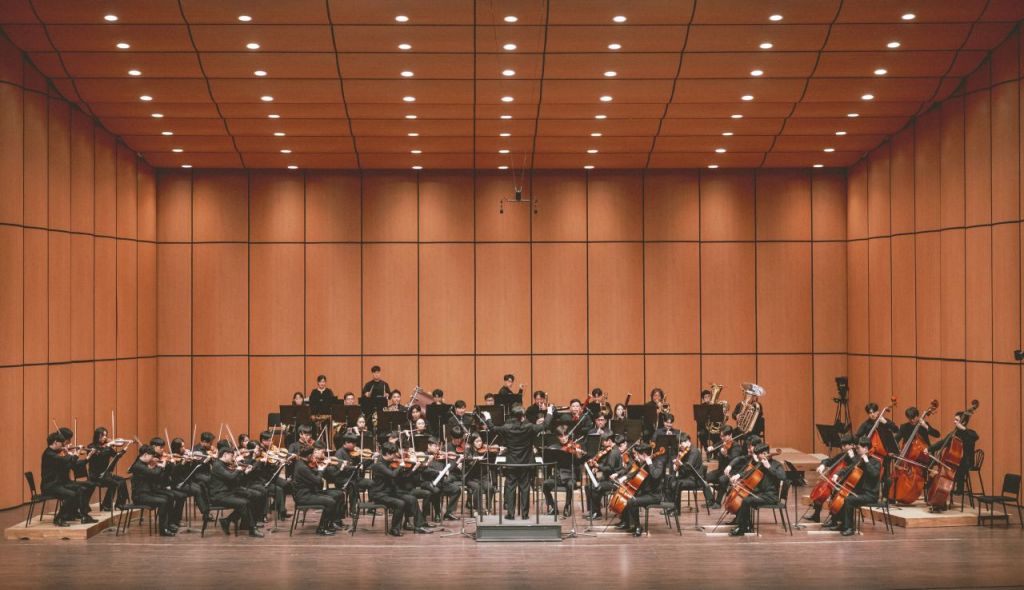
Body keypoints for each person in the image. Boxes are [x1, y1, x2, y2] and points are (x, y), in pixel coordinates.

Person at [483, 403, 555, 519]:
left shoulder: (507, 428)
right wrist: (550, 411)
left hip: (511, 462)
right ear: (522, 417)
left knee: (510, 488)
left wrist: (488, 417)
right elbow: (545, 425)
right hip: (525, 463)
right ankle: (525, 514)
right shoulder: (529, 427)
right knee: (525, 488)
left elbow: (492, 428)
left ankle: (510, 514)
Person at [368, 443, 432, 536]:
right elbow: (392, 475)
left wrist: (412, 468)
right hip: (379, 494)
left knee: (412, 498)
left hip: (389, 492)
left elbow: (402, 477)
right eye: (394, 454)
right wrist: (401, 466)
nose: (395, 456)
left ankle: (419, 525)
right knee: (400, 503)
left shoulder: (390, 463)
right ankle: (394, 529)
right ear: (387, 454)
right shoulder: (379, 465)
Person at [828, 437, 882, 536]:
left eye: (858, 448)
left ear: (866, 448)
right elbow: (847, 468)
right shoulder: (859, 461)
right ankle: (843, 523)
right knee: (843, 495)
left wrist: (866, 461)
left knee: (849, 500)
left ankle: (849, 528)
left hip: (870, 494)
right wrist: (837, 474)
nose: (856, 450)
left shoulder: (875, 461)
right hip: (860, 492)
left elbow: (874, 474)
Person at [41, 432, 97, 527]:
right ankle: (59, 518)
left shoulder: (55, 453)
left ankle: (84, 516)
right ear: (55, 442)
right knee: (71, 495)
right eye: (62, 443)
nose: (63, 446)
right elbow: (64, 460)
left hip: (58, 483)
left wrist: (83, 457)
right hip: (50, 485)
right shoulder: (49, 454)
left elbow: (68, 465)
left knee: (81, 489)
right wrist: (75, 454)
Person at [728, 443, 785, 537]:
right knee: (743, 496)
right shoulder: (761, 463)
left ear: (765, 453)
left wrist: (769, 467)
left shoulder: (776, 465)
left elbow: (782, 477)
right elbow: (750, 471)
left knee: (746, 500)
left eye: (758, 455)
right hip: (761, 493)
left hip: (771, 496)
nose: (757, 458)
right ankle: (746, 525)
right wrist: (738, 476)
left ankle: (742, 528)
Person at [928, 410, 980, 511]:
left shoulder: (969, 433)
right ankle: (939, 501)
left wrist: (964, 429)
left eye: (956, 420)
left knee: (950, 475)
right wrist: (929, 449)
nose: (954, 422)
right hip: (954, 463)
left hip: (965, 462)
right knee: (934, 474)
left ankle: (958, 488)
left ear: (963, 422)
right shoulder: (954, 433)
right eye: (954, 419)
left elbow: (975, 437)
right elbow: (942, 442)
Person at [208, 447, 264, 537]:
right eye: (231, 456)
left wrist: (244, 473)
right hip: (219, 495)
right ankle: (252, 529)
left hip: (228, 492)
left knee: (250, 500)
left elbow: (235, 480)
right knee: (244, 503)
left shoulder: (225, 465)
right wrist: (238, 470)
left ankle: (228, 520)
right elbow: (230, 477)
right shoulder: (217, 465)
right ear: (225, 455)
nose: (233, 458)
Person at [615, 443, 664, 537]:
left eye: (638, 454)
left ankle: (638, 527)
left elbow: (656, 475)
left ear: (644, 454)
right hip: (646, 493)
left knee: (632, 501)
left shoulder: (658, 462)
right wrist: (625, 477)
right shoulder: (644, 463)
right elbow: (637, 471)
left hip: (654, 495)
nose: (636, 457)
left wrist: (650, 464)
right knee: (627, 496)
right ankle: (628, 523)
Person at [128, 445, 178, 536]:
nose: (152, 459)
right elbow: (154, 474)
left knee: (169, 497)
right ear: (145, 454)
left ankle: (168, 525)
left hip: (147, 493)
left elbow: (156, 477)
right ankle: (163, 530)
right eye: (151, 456)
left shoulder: (145, 464)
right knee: (163, 501)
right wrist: (161, 466)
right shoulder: (138, 466)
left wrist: (166, 467)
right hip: (140, 496)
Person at [805, 434, 855, 523]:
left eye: (845, 445)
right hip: (836, 481)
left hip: (847, 484)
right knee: (821, 490)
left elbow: (853, 467)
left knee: (834, 494)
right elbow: (829, 460)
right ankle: (816, 515)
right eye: (842, 445)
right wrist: (823, 465)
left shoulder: (856, 457)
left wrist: (852, 458)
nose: (842, 447)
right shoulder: (843, 455)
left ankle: (835, 519)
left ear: (852, 445)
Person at [292, 446, 341, 535]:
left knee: (336, 495)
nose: (314, 456)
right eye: (313, 454)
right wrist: (321, 470)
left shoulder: (302, 463)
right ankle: (321, 528)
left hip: (309, 492)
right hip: (304, 496)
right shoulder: (302, 467)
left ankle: (329, 523)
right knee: (330, 501)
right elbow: (317, 481)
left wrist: (321, 467)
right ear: (309, 456)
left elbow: (313, 474)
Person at [543, 425, 586, 517]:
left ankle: (567, 506)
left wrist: (578, 455)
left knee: (570, 485)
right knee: (545, 484)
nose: (563, 438)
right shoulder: (554, 448)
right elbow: (548, 463)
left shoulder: (574, 447)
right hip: (558, 477)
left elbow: (579, 463)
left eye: (565, 435)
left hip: (570, 476)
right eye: (561, 436)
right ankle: (553, 507)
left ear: (568, 435)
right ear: (557, 437)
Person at [87, 427, 129, 512]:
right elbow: (99, 455)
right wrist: (108, 445)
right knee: (115, 483)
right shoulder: (91, 446)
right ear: (97, 436)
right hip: (95, 475)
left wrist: (124, 450)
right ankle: (106, 505)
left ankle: (120, 504)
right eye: (103, 435)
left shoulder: (107, 447)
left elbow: (116, 455)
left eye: (106, 435)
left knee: (122, 480)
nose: (105, 437)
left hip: (106, 474)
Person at [670, 433, 714, 512]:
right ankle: (671, 506)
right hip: (687, 477)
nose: (679, 446)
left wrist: (681, 464)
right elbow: (684, 470)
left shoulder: (694, 451)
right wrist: (677, 466)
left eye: (681, 443)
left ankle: (676, 510)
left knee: (677, 483)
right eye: (678, 444)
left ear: (687, 441)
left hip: (695, 479)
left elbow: (688, 467)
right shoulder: (685, 451)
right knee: (670, 480)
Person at [585, 433, 623, 519]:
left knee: (595, 487)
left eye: (603, 442)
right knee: (588, 486)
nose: (602, 444)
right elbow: (606, 464)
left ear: (609, 441)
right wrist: (598, 468)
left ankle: (597, 512)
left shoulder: (614, 452)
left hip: (613, 481)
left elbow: (609, 468)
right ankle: (593, 510)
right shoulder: (611, 450)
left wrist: (598, 466)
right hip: (607, 479)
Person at [706, 426, 746, 509]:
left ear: (730, 435)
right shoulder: (722, 443)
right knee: (706, 477)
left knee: (722, 479)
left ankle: (718, 502)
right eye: (721, 436)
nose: (722, 438)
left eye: (724, 436)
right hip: (721, 470)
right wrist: (711, 448)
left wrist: (726, 455)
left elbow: (733, 462)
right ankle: (711, 500)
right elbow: (714, 448)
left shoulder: (736, 447)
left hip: (732, 472)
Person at [465, 434, 496, 516]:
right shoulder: (468, 451)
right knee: (477, 488)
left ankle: (488, 508)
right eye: (477, 441)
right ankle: (476, 509)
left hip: (483, 477)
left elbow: (493, 459)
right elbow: (466, 459)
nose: (479, 443)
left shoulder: (485, 451)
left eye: (480, 441)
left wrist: (497, 453)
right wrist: (474, 458)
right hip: (471, 478)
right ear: (472, 442)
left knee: (490, 488)